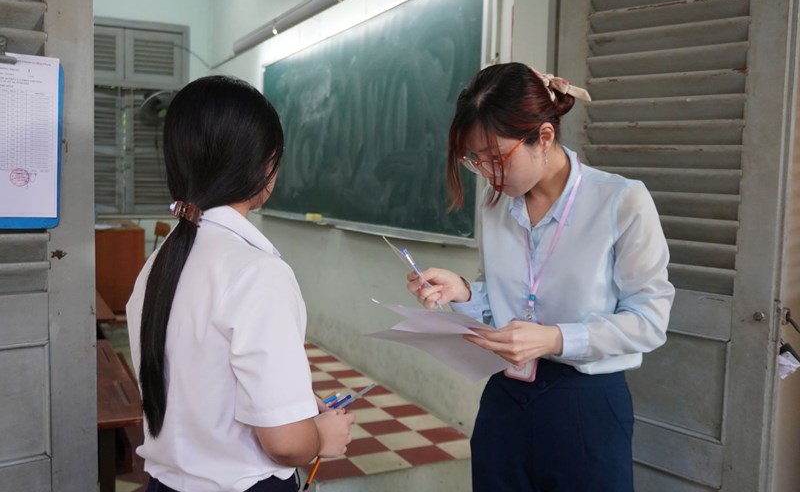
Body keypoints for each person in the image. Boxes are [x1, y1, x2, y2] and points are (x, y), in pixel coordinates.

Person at [407, 63, 675, 491]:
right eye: (475, 160)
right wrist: (464, 292)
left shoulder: (620, 201)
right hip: (506, 396)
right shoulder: (496, 204)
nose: (488, 173)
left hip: (585, 403)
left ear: (544, 137)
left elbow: (649, 321)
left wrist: (554, 339)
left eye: (497, 157)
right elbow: (503, 302)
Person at [126, 75, 354, 492]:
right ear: (265, 166)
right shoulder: (257, 273)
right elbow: (287, 444)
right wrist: (322, 437)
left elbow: (202, 385)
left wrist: (292, 404)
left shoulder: (158, 263)